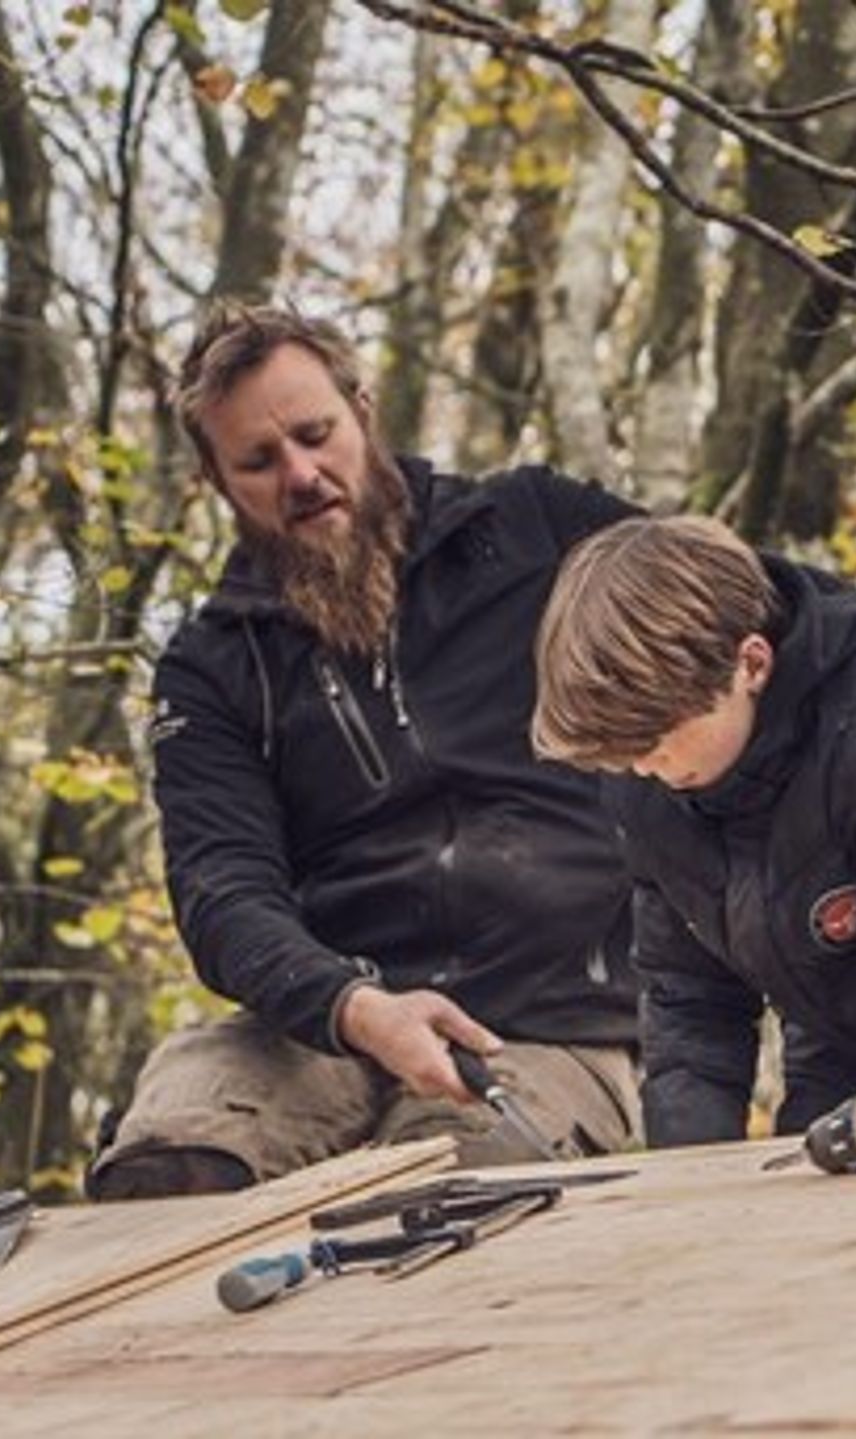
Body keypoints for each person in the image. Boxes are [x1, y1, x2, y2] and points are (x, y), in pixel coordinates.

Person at [89, 305, 644, 1199]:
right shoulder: (209, 664)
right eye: (258, 462)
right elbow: (221, 889)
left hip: (553, 1024)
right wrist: (352, 1007)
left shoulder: (536, 527)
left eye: (315, 436)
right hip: (320, 1023)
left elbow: (731, 608)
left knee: (451, 1196)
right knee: (171, 1162)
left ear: (362, 410)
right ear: (216, 481)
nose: (301, 475)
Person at [530, 516, 856, 1147]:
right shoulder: (651, 784)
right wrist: (687, 1174)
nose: (643, 766)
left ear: (751, 664)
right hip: (835, 1032)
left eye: (655, 738)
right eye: (623, 755)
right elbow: (689, 1001)